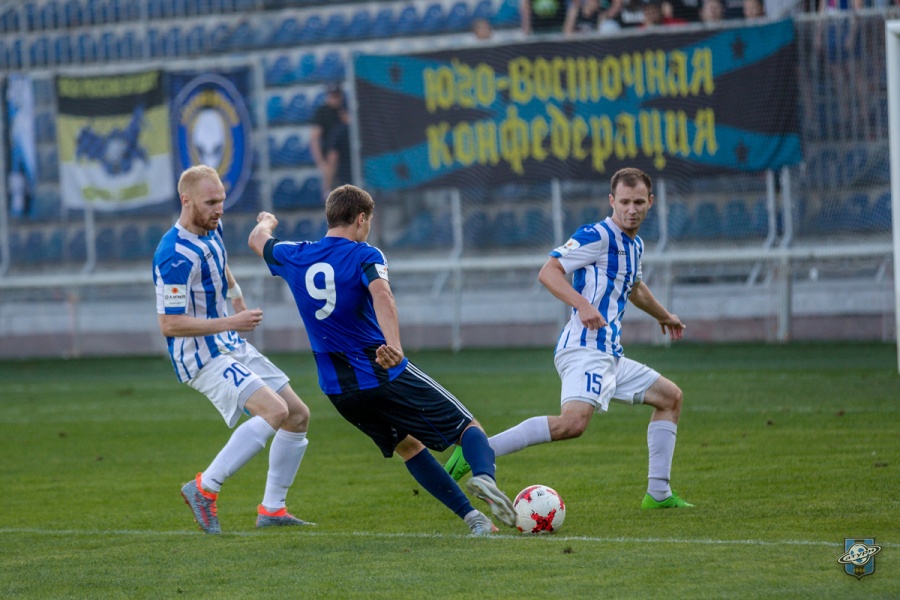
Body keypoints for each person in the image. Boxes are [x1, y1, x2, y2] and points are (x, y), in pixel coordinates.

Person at [247, 185, 517, 535]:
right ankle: (484, 478)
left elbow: (257, 238)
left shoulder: (295, 255)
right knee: (468, 429)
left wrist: (267, 220)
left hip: (338, 389)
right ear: (361, 219)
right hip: (381, 371)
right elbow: (383, 295)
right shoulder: (364, 254)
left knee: (410, 447)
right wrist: (395, 346)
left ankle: (475, 520)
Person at [443, 167, 694, 511]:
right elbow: (549, 271)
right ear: (612, 201)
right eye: (624, 202)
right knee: (572, 424)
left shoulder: (635, 245)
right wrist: (582, 304)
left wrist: (664, 316)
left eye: (638, 202)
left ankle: (659, 495)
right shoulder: (597, 235)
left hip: (609, 353)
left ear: (650, 202)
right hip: (584, 348)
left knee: (670, 398)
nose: (631, 209)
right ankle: (477, 450)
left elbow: (634, 287)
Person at [153, 165, 313, 534]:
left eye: (221, 201)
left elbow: (220, 263)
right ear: (186, 200)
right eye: (211, 202)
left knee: (297, 415)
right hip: (199, 356)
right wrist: (231, 321)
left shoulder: (211, 226)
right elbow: (170, 325)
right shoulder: (173, 255)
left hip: (227, 342)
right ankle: (204, 488)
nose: (219, 209)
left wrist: (236, 298)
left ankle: (272, 510)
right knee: (275, 410)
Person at [310, 82, 347, 200]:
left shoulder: (345, 109)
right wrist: (321, 163)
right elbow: (314, 139)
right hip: (330, 157)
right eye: (332, 96)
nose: (335, 99)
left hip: (347, 156)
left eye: (337, 96)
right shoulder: (322, 112)